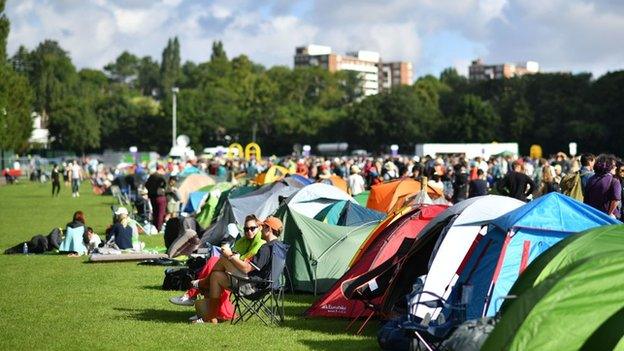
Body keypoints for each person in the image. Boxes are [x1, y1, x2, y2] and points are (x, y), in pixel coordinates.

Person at [190, 216, 282, 324]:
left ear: (269, 229)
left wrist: (231, 256)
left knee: (224, 259)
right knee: (216, 277)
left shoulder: (266, 248)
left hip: (253, 287)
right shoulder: (279, 247)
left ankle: (204, 282)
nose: (260, 229)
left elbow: (247, 269)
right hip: (266, 285)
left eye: (262, 227)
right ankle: (211, 317)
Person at [170, 217, 265, 307]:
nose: (249, 231)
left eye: (252, 228)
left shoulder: (262, 245)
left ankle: (195, 292)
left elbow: (246, 267)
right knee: (214, 267)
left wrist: (229, 255)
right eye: (246, 229)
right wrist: (229, 253)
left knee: (216, 264)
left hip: (247, 282)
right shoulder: (243, 242)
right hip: (236, 275)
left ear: (260, 228)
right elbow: (238, 258)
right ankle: (206, 313)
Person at [145, 165, 167, 231]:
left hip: (152, 197)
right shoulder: (161, 177)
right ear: (161, 169)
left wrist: (150, 190)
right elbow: (165, 185)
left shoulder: (151, 176)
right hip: (160, 196)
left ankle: (154, 227)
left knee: (155, 212)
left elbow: (146, 185)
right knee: (160, 213)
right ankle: (158, 228)